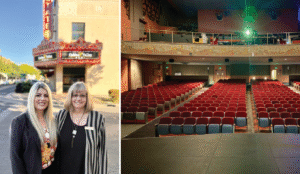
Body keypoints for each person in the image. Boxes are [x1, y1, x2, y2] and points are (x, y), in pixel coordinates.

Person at [55, 82, 107, 174]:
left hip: (87, 170)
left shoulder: (97, 118)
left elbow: (102, 151)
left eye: (82, 95)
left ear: (87, 98)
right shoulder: (61, 116)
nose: (78, 98)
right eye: (75, 95)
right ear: (70, 97)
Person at [10, 82, 57, 174]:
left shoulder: (53, 121)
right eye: (38, 95)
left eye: (46, 96)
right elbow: (15, 157)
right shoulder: (19, 122)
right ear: (32, 97)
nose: (42, 99)